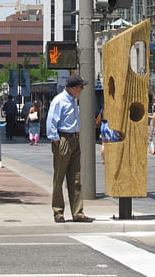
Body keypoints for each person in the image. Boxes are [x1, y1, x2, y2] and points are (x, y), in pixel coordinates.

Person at [46, 74, 94, 223]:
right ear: (73, 88)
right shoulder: (59, 101)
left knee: (75, 178)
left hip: (74, 138)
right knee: (59, 177)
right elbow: (51, 122)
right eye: (81, 87)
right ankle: (58, 211)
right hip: (63, 138)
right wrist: (57, 140)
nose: (82, 89)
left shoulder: (73, 100)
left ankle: (77, 212)